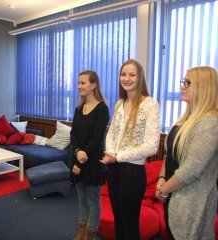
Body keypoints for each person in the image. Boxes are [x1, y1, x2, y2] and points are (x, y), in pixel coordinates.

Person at [155, 66, 218, 239]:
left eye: (188, 83)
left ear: (204, 87)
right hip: (173, 196)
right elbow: (169, 156)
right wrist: (161, 178)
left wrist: (163, 190)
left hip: (191, 203)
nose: (182, 86)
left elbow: (192, 170)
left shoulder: (210, 122)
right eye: (183, 82)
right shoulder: (187, 119)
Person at [101, 59, 160, 239]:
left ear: (140, 77)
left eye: (132, 75)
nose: (126, 78)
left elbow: (152, 146)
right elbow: (111, 133)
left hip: (132, 172)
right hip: (113, 169)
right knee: (118, 219)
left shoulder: (150, 104)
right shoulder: (120, 103)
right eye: (123, 74)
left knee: (130, 222)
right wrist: (111, 153)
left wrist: (118, 156)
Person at [70, 70, 109, 240]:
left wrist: (81, 160)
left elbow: (97, 139)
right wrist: (78, 151)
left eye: (83, 83)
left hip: (93, 162)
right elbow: (73, 134)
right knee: (81, 199)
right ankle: (81, 230)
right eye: (78, 82)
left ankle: (90, 234)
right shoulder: (79, 108)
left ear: (93, 85)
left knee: (93, 201)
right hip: (77, 158)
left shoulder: (102, 109)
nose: (79, 86)